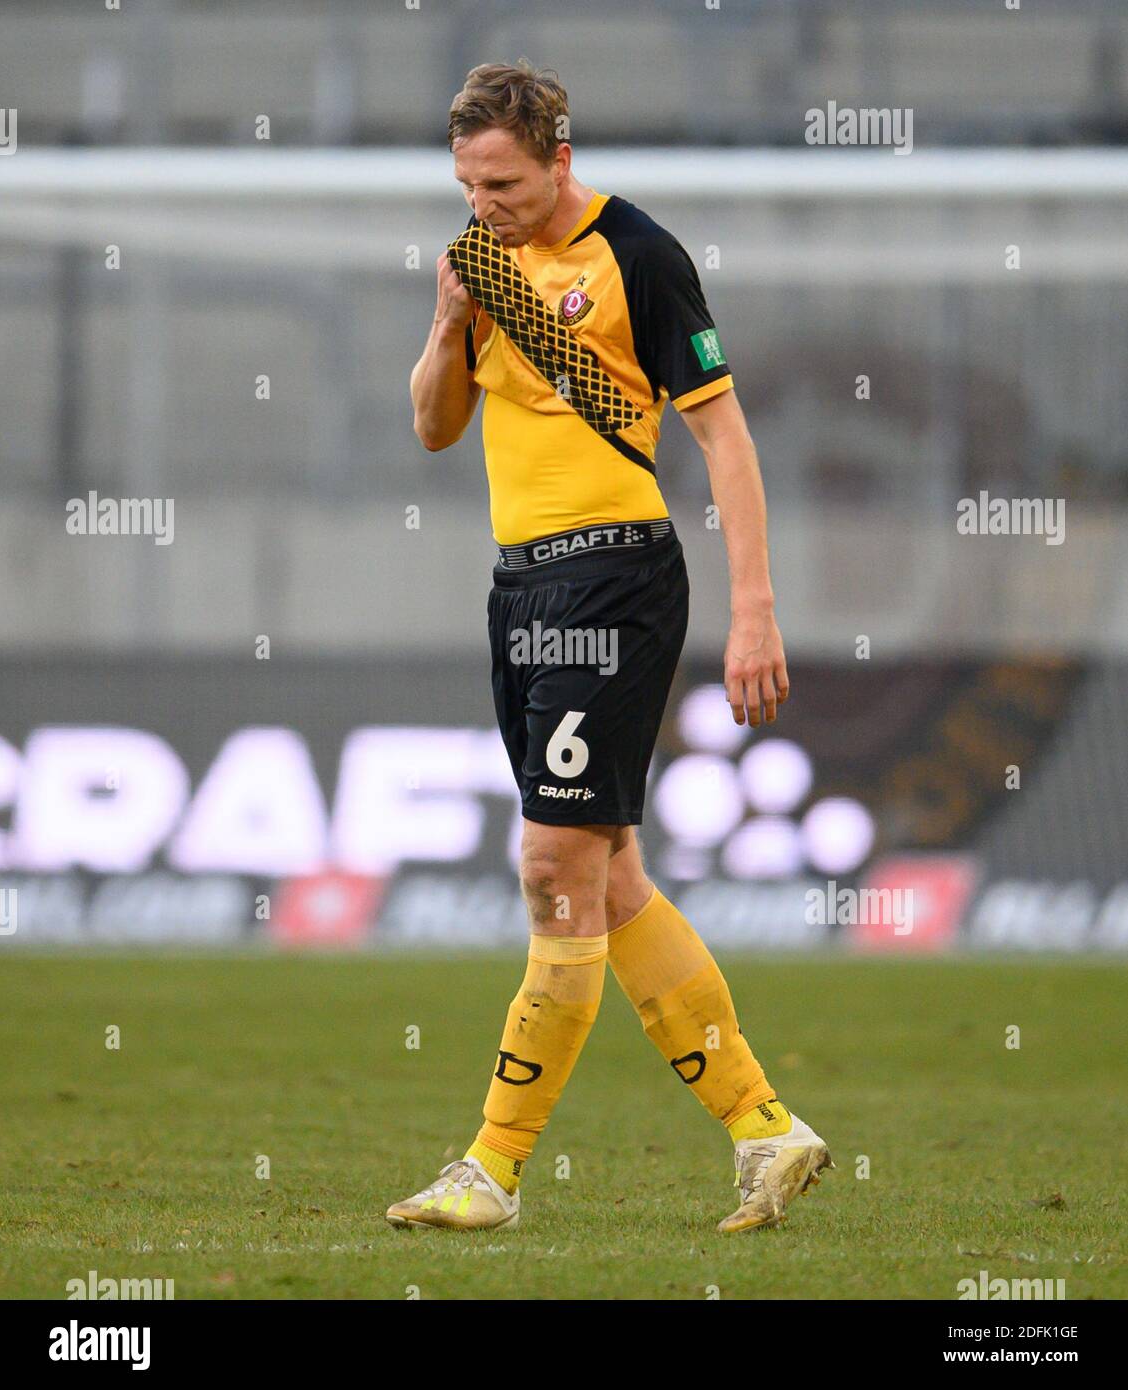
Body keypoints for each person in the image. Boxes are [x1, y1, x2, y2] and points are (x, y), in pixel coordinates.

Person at [388, 60, 831, 1235]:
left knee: (548, 864)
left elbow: (724, 438)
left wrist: (754, 608)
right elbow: (436, 427)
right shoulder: (477, 262)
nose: (486, 202)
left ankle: (489, 1168)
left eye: (506, 182)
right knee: (606, 874)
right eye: (469, 183)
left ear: (560, 158)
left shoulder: (639, 255)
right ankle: (765, 1131)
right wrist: (446, 323)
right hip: (519, 587)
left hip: (614, 577)